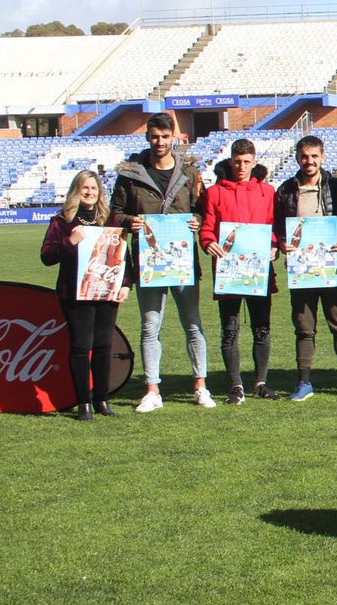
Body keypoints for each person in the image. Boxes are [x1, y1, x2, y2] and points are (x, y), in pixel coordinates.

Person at [109, 112, 215, 411]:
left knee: (192, 324)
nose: (159, 142)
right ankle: (152, 390)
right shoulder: (130, 173)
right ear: (148, 137)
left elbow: (203, 209)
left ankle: (200, 385)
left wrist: (196, 220)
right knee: (149, 325)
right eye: (154, 136)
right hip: (147, 261)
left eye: (164, 137)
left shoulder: (190, 172)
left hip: (182, 260)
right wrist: (130, 221)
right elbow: (115, 212)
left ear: (173, 138)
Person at [274, 135, 337, 400]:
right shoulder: (286, 189)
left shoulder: (336, 185)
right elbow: (277, 226)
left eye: (314, 156)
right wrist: (283, 243)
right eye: (304, 156)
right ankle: (304, 382)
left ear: (322, 158)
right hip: (302, 270)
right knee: (304, 326)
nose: (309, 161)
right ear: (297, 158)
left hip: (332, 267)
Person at [41, 170, 127, 420]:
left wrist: (126, 284)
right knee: (80, 347)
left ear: (100, 192)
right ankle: (84, 402)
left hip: (106, 291)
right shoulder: (61, 221)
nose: (90, 193)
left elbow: (123, 256)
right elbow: (47, 257)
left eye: (94, 188)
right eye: (85, 188)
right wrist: (70, 241)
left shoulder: (109, 219)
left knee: (103, 346)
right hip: (75, 294)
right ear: (76, 191)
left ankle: (102, 399)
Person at [199, 138, 280, 404]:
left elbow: (273, 226)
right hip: (229, 271)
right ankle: (236, 385)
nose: (241, 166)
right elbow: (208, 227)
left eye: (246, 162)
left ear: (254, 162)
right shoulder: (214, 193)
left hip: (259, 270)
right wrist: (208, 242)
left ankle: (261, 382)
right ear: (230, 161)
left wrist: (274, 246)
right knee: (230, 329)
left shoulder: (267, 192)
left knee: (262, 328)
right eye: (237, 161)